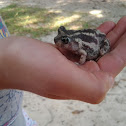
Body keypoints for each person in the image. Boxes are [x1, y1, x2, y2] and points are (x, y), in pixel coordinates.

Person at [0, 15, 126, 126]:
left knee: (103, 51)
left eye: (64, 41)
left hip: (98, 42)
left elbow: (83, 55)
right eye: (59, 35)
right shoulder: (74, 44)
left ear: (72, 42)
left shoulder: (79, 48)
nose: (57, 40)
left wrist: (80, 64)